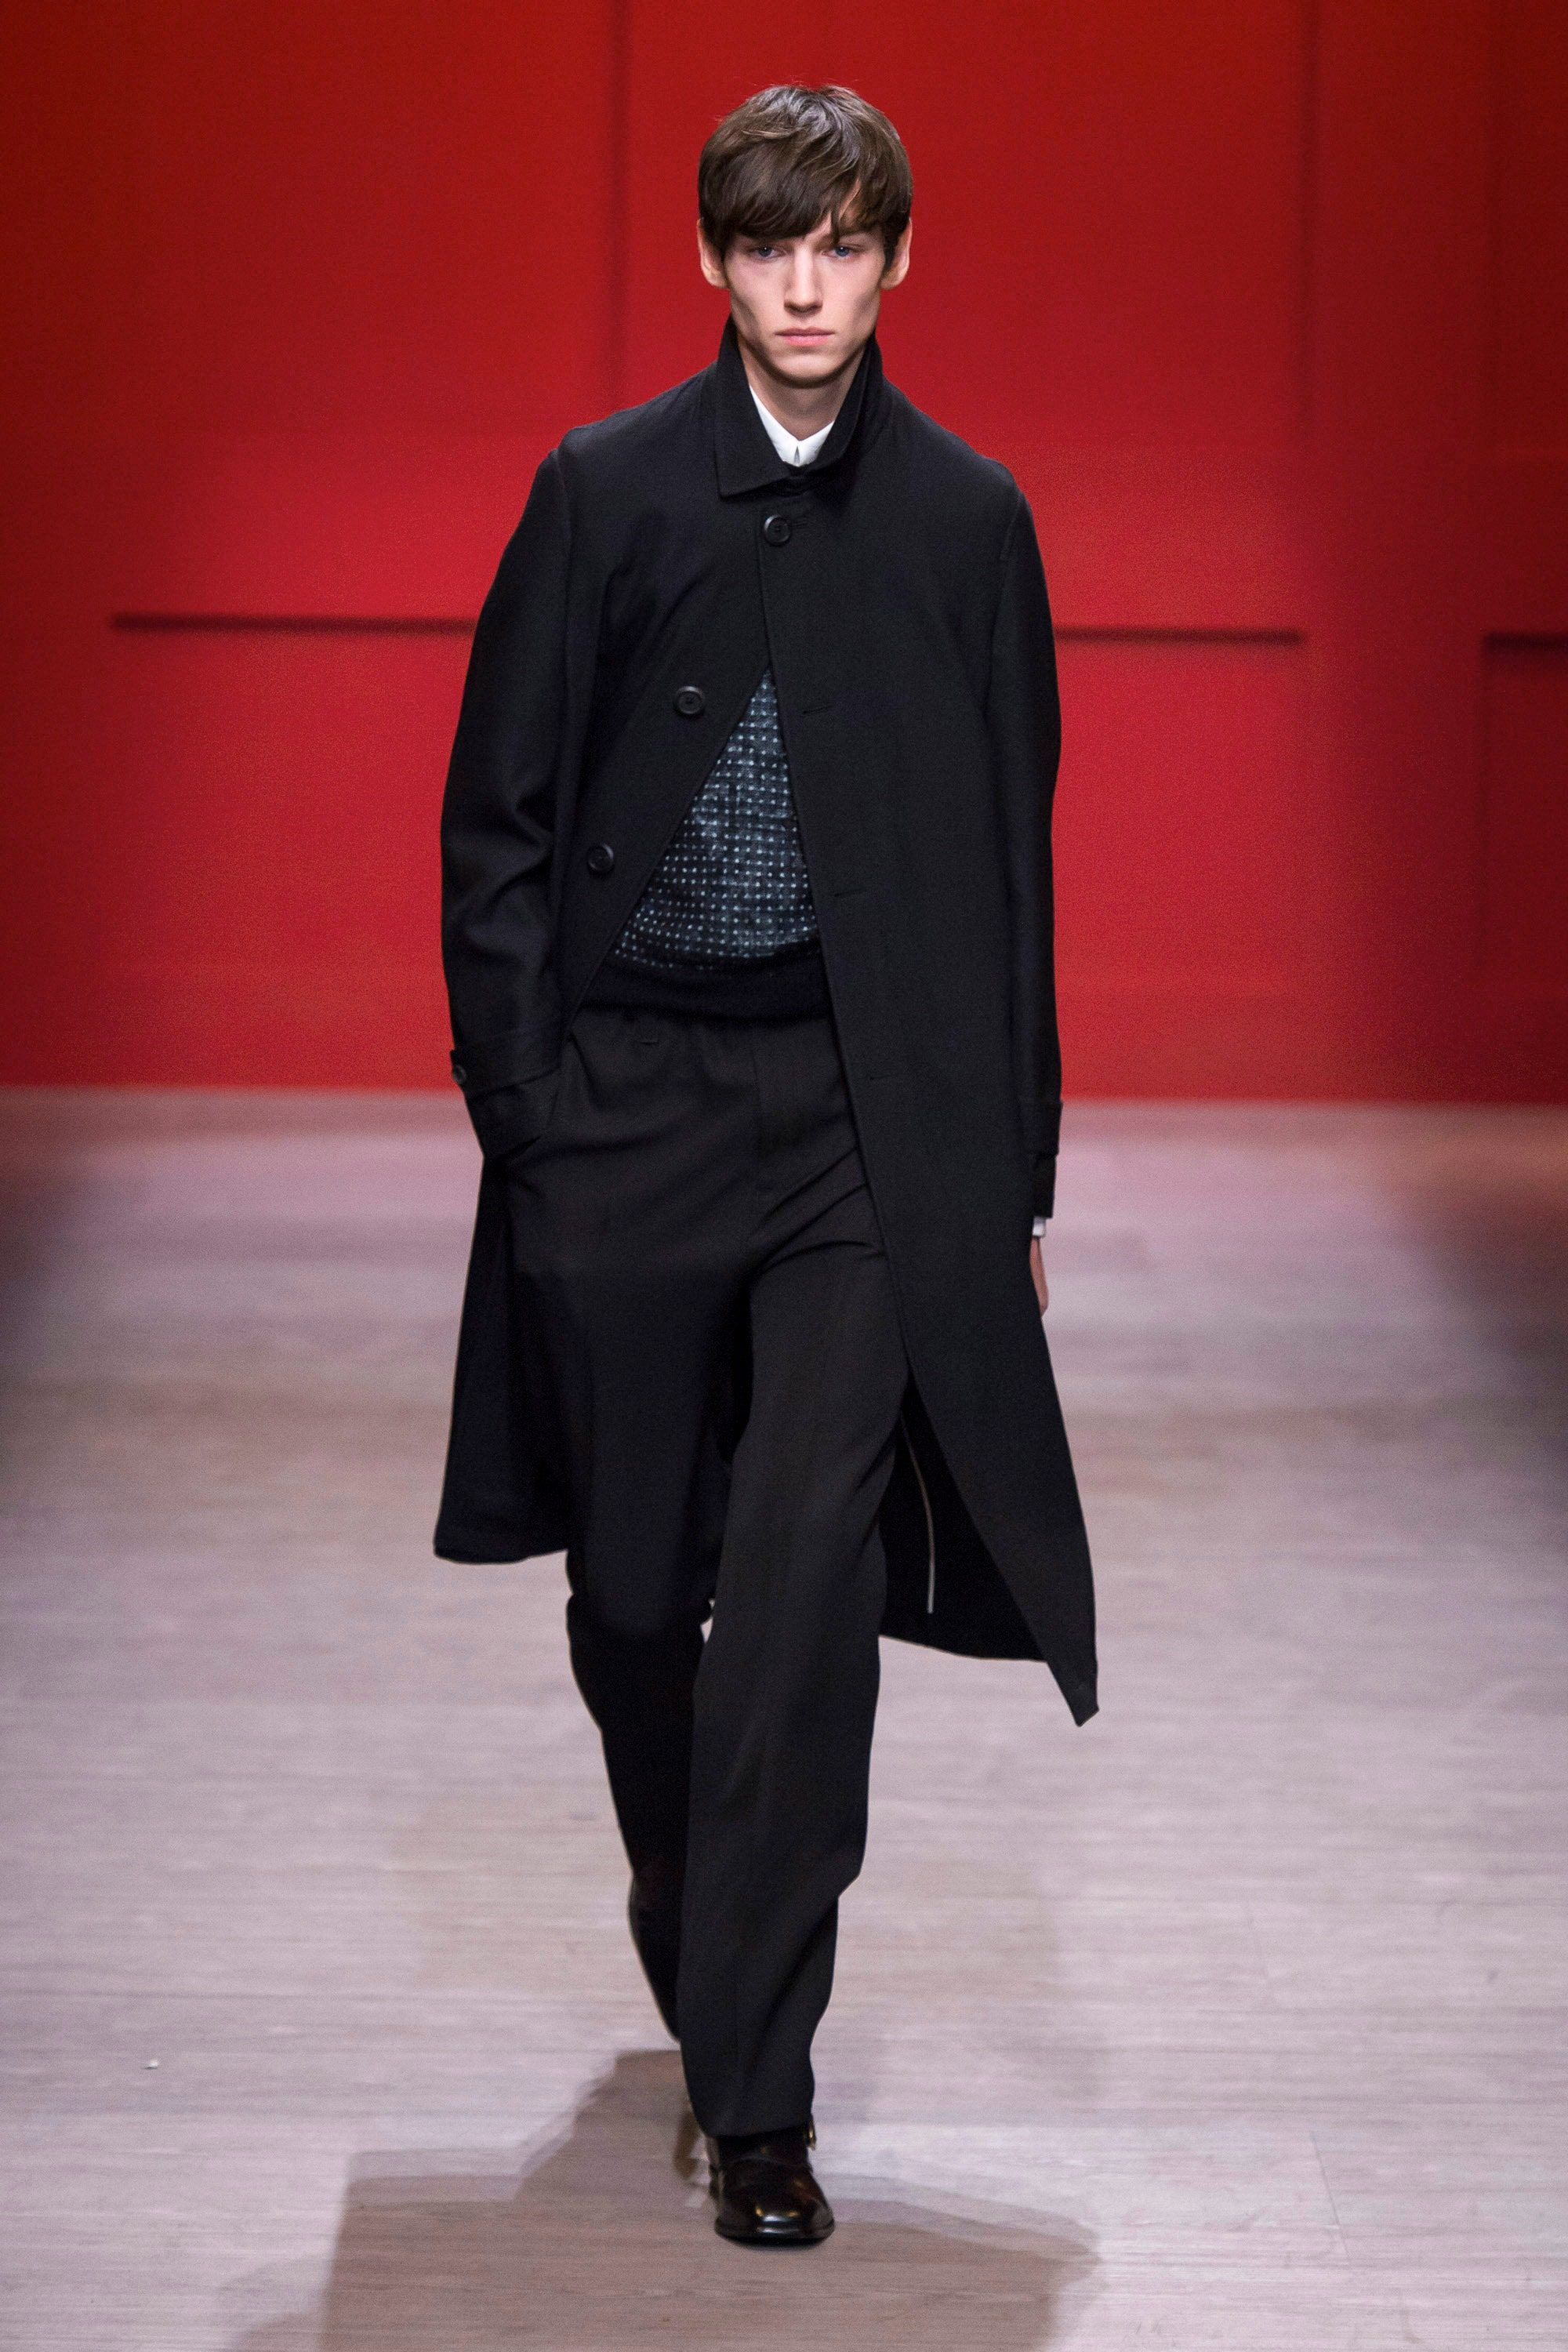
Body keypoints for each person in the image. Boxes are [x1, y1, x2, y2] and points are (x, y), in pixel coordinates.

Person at [434, 81, 1097, 2248]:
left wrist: (1005, 1171)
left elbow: (1012, 866)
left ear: (901, 260)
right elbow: (502, 816)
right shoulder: (606, 490)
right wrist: (529, 1117)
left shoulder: (967, 522)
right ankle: (694, 1895)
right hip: (625, 1109)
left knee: (805, 1592)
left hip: (855, 1122)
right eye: (767, 246)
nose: (805, 287)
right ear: (714, 262)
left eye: (842, 245)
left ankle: (763, 2091)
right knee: (639, 1598)